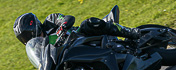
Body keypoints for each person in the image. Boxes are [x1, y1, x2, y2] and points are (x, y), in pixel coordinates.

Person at [13, 13, 141, 46]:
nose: (27, 38)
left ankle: (130, 32)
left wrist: (63, 26)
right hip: (69, 53)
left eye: (26, 34)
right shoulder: (38, 47)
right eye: (23, 38)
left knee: (89, 23)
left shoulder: (50, 20)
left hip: (80, 36)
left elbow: (68, 18)